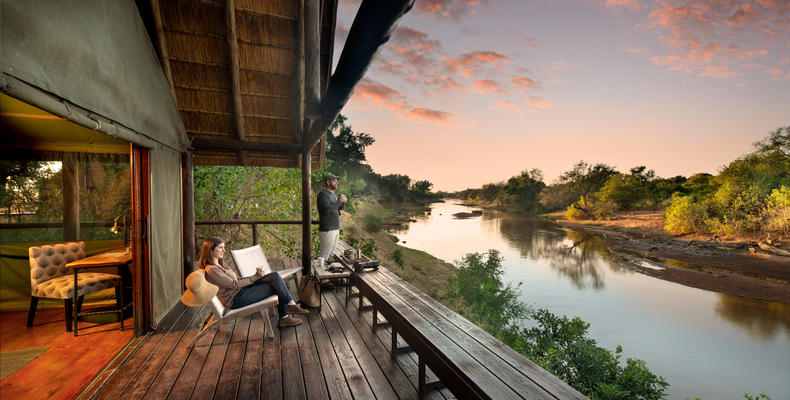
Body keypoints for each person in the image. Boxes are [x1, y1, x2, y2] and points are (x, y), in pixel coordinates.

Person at [199, 237, 307, 328]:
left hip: (241, 290)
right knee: (276, 286)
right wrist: (255, 277)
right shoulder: (212, 269)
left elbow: (237, 279)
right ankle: (285, 316)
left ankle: (289, 305)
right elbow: (233, 284)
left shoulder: (220, 265)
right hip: (236, 299)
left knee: (274, 276)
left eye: (224, 247)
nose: (224, 250)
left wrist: (255, 276)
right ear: (211, 250)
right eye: (221, 248)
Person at [317, 173, 346, 259]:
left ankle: (325, 272)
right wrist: (339, 201)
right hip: (327, 229)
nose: (336, 182)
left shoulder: (333, 194)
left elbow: (338, 208)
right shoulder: (323, 194)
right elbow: (327, 209)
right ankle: (317, 272)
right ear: (328, 182)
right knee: (324, 255)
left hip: (335, 228)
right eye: (334, 181)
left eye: (337, 181)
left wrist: (342, 201)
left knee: (331, 255)